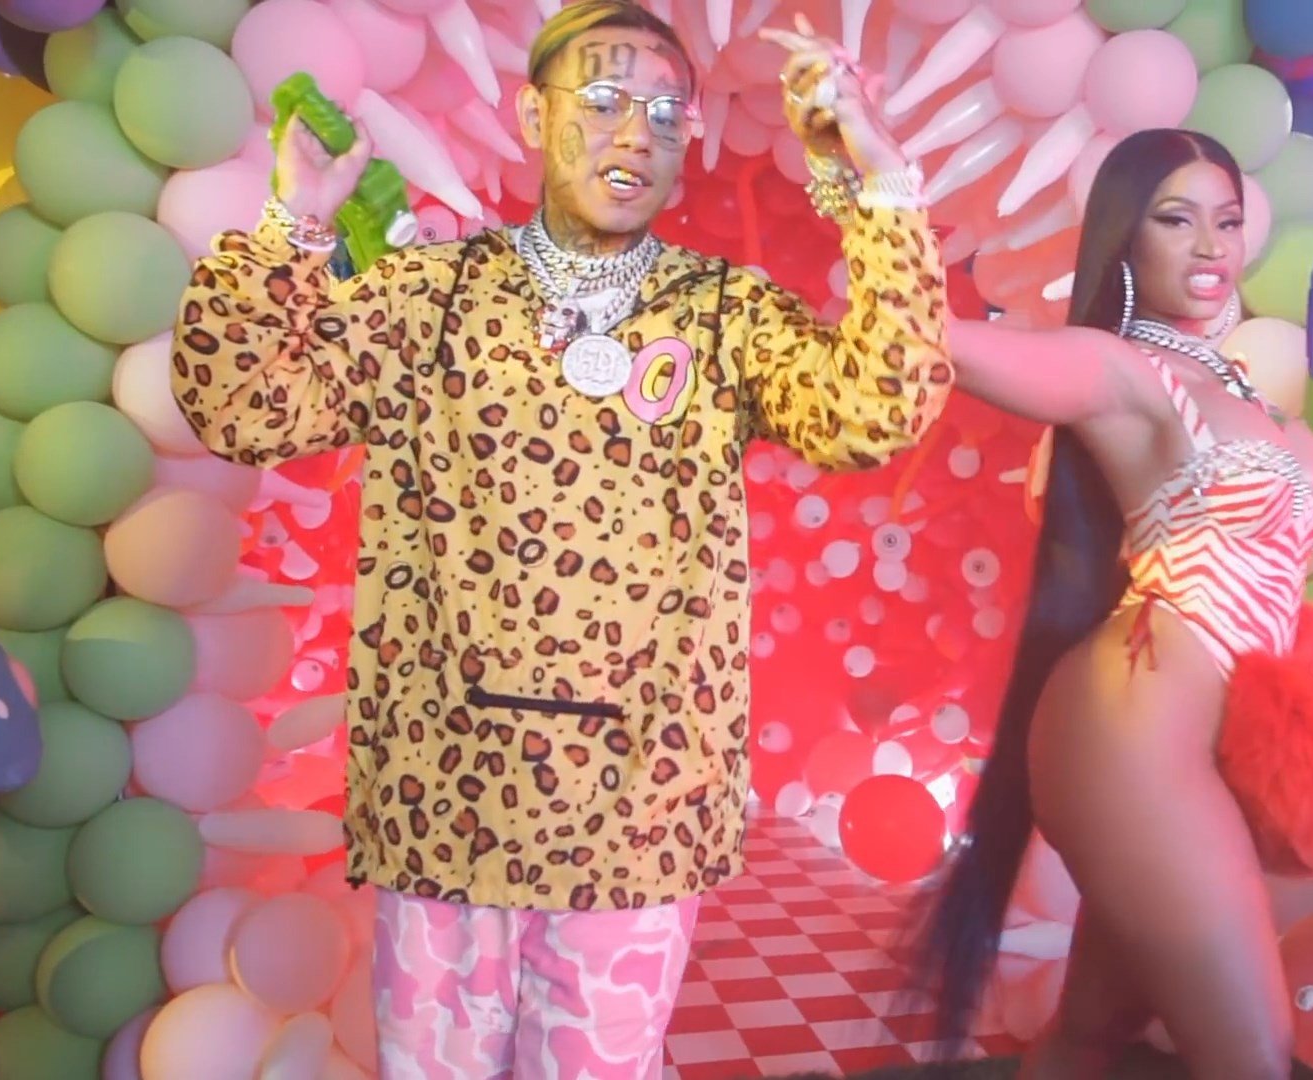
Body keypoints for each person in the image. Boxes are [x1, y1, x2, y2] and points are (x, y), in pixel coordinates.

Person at [167, 3, 950, 1076]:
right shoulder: (431, 297)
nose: (637, 133)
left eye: (667, 114)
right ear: (536, 117)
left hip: (637, 817)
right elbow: (242, 407)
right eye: (606, 100)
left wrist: (878, 178)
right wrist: (296, 222)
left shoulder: (723, 313)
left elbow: (878, 411)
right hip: (447, 801)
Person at [905, 129, 1313, 1080]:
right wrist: (882, 181)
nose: (1210, 247)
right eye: (1176, 220)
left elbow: (1273, 561)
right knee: (1252, 1060)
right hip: (1134, 731)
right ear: (1127, 237)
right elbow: (931, 339)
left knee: (1089, 1040)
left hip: (1209, 739)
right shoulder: (1123, 372)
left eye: (1227, 222)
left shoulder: (1241, 390)